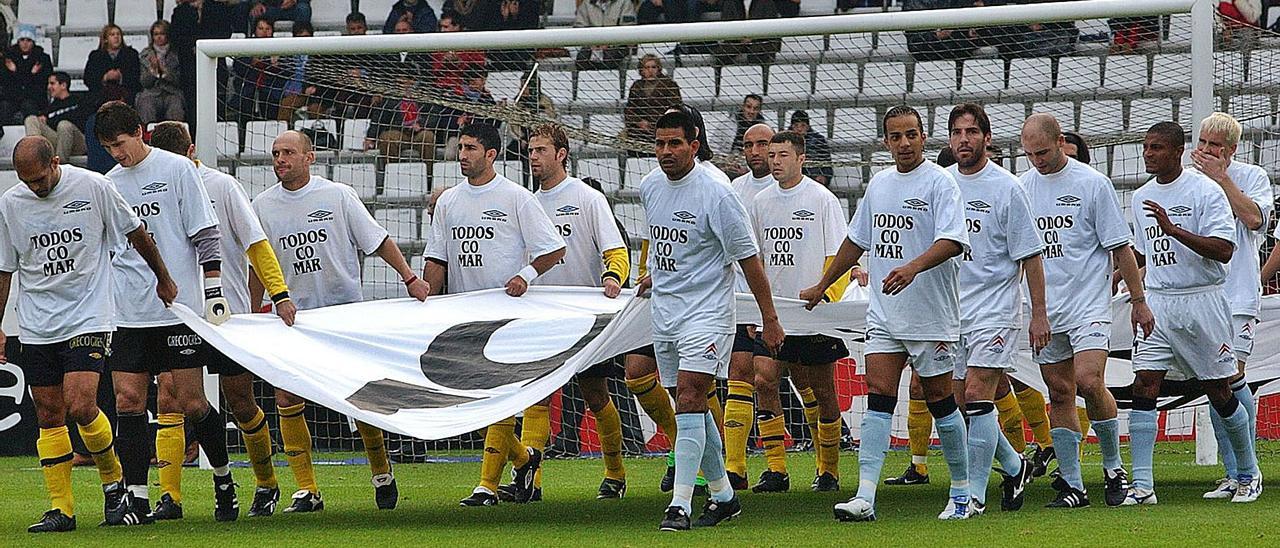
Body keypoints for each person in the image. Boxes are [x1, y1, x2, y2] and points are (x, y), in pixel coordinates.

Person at [803, 105, 972, 522]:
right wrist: (824, 285)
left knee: (940, 400)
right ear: (886, 141)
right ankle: (865, 496)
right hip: (885, 311)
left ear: (923, 136)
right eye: (896, 136)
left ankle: (964, 493)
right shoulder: (879, 184)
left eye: (911, 135)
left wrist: (912, 267)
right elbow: (856, 240)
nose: (904, 143)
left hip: (931, 312)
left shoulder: (941, 183)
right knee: (878, 395)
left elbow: (953, 240)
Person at [1, 136, 174, 533]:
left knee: (80, 405)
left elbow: (136, 231)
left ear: (56, 163)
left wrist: (163, 278)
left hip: (89, 315)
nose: (36, 188)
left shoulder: (93, 186)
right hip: (37, 321)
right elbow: (4, 269)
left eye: (41, 180)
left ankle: (114, 486)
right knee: (48, 413)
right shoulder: (11, 204)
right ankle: (61, 509)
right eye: (28, 183)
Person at [251, 131, 427, 513]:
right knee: (286, 396)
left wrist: (409, 278)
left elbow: (377, 240)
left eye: (288, 153)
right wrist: (252, 309)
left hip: (345, 315)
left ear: (309, 157)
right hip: (294, 318)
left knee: (359, 398)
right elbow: (258, 260)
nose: (280, 159)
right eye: (275, 153)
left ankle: (381, 471)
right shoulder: (262, 205)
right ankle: (307, 489)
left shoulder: (337, 195)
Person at [93, 101, 234, 524]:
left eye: (120, 143)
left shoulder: (177, 170)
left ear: (140, 132)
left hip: (178, 309)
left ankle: (224, 479)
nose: (117, 154)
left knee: (190, 402)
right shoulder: (109, 183)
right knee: (128, 400)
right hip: (130, 311)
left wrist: (212, 293)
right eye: (107, 147)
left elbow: (205, 235)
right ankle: (136, 498)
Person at [642, 109, 783, 532]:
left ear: (694, 145)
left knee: (689, 397)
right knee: (688, 404)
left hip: (707, 313)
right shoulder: (650, 186)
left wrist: (769, 317)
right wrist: (656, 273)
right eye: (660, 143)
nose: (666, 152)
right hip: (665, 312)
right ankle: (723, 495)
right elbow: (665, 241)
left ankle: (680, 504)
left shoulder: (717, 193)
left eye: (675, 143)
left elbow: (748, 258)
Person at [149, 122, 299, 518]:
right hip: (179, 314)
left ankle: (266, 483)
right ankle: (170, 496)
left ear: (192, 152)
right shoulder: (152, 188)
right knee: (171, 395)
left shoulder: (222, 186)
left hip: (225, 312)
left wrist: (279, 294)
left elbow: (256, 243)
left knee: (240, 400)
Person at [423, 123, 564, 507]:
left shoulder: (516, 198)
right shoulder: (449, 201)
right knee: (476, 402)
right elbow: (437, 257)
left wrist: (525, 275)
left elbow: (554, 250)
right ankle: (524, 460)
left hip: (508, 317)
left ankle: (486, 486)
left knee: (497, 398)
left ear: (491, 155)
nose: (463, 154)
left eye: (471, 147)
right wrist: (423, 297)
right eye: (461, 147)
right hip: (463, 315)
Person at [1019, 113, 1152, 508]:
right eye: (1029, 154)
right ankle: (1073, 483)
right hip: (1042, 309)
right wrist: (1031, 309)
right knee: (1059, 391)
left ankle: (1113, 467)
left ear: (1061, 141)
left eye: (1042, 152)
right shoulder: (1020, 189)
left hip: (1088, 305)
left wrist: (1139, 299)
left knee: (1089, 380)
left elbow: (1120, 247)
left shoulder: (1093, 184)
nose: (1037, 160)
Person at [1125, 121, 1260, 505]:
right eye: (1145, 147)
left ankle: (1247, 473)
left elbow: (1223, 249)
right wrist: (1124, 279)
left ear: (1177, 151)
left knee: (1219, 389)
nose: (1148, 154)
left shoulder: (1206, 191)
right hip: (1159, 302)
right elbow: (1142, 250)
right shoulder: (1141, 196)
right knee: (1144, 385)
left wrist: (1173, 229)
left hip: (1203, 301)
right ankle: (1142, 485)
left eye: (1156, 148)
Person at [519, 124, 631, 500]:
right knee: (535, 395)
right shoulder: (526, 203)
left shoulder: (587, 198)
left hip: (585, 316)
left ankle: (615, 473)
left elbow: (615, 249)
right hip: (542, 317)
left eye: (540, 150)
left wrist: (614, 277)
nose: (533, 157)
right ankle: (530, 482)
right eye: (530, 150)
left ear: (561, 154)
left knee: (595, 395)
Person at [944, 103, 1045, 513]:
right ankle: (1014, 463)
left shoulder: (1007, 187)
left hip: (996, 307)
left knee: (977, 395)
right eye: (956, 132)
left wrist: (1039, 314)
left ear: (987, 138)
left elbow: (1031, 256)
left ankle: (972, 497)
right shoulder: (941, 183)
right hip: (949, 309)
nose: (963, 139)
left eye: (971, 131)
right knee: (955, 402)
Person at [750, 130, 852, 494]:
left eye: (782, 155)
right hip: (775, 313)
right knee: (763, 380)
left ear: (801, 159)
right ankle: (776, 468)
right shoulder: (760, 202)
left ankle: (829, 470)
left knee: (822, 389)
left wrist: (827, 297)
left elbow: (837, 255)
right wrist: (754, 308)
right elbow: (755, 259)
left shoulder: (821, 199)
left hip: (811, 311)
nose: (774, 160)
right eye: (771, 154)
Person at [1189, 113, 1271, 500]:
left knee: (1232, 381)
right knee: (1215, 386)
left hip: (1238, 296)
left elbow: (1255, 220)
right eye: (1202, 143)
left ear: (1231, 150)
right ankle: (1233, 471)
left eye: (1214, 146)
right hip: (1203, 297)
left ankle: (1248, 472)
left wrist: (1222, 179)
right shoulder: (1186, 180)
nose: (1205, 151)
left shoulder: (1252, 176)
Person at [723, 123, 776, 491]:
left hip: (783, 299)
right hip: (742, 298)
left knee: (802, 381)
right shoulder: (733, 191)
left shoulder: (794, 188)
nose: (755, 151)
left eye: (763, 144)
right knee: (743, 374)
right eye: (748, 145)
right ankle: (736, 467)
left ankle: (825, 467)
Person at [232, 17, 286, 122]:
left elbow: (287, 72)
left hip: (271, 91)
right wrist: (251, 63)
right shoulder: (246, 46)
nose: (264, 32)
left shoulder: (279, 47)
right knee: (246, 99)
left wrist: (277, 66)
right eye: (261, 28)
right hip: (248, 90)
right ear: (255, 30)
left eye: (268, 28)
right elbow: (237, 67)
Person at [25, 72, 88, 160]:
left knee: (64, 125)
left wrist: (50, 120)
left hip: (78, 142)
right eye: (48, 84)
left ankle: (60, 166)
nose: (48, 87)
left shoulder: (78, 101)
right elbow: (45, 120)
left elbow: (77, 119)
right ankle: (36, 159)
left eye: (52, 83)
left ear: (63, 85)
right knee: (31, 119)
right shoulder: (51, 106)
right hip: (59, 142)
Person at [624, 55, 681, 149]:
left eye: (653, 67)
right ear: (641, 70)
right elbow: (630, 109)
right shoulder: (636, 86)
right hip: (640, 130)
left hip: (664, 127)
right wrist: (639, 122)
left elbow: (676, 108)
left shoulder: (669, 85)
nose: (650, 70)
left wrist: (656, 123)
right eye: (647, 67)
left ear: (659, 68)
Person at [2, 24, 53, 124]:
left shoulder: (42, 58)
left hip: (34, 97)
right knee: (4, 107)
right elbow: (5, 81)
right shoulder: (8, 57)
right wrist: (30, 74)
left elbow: (43, 82)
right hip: (12, 97)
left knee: (29, 106)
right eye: (22, 40)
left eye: (28, 40)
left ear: (33, 42)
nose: (25, 43)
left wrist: (16, 72)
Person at [137, 20, 185, 125]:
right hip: (151, 92)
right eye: (156, 34)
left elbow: (179, 81)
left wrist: (165, 72)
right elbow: (143, 83)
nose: (159, 37)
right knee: (146, 104)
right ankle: (147, 136)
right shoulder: (144, 55)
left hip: (172, 92)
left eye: (162, 34)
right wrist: (153, 71)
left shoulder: (177, 54)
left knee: (176, 106)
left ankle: (174, 136)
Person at [84, 24, 142, 106]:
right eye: (112, 35)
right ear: (105, 39)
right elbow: (88, 79)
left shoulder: (131, 54)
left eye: (118, 34)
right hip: (101, 96)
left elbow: (136, 78)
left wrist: (120, 77)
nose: (116, 37)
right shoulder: (96, 56)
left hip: (126, 95)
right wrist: (105, 77)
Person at [574, 0, 637, 70]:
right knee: (582, 58)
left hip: (617, 45)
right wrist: (593, 43)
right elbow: (579, 28)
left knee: (609, 57)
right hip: (592, 45)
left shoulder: (625, 2)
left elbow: (628, 29)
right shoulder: (586, 4)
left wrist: (609, 43)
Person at [790, 111, 832, 186]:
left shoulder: (819, 140)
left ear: (808, 126)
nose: (799, 129)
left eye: (803, 125)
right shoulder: (785, 141)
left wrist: (824, 176)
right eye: (796, 125)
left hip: (814, 179)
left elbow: (827, 162)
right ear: (792, 127)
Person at [237, 0, 311, 34]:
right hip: (269, 7)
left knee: (304, 9)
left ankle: (301, 54)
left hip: (293, 8)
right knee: (252, 12)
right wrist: (256, 3)